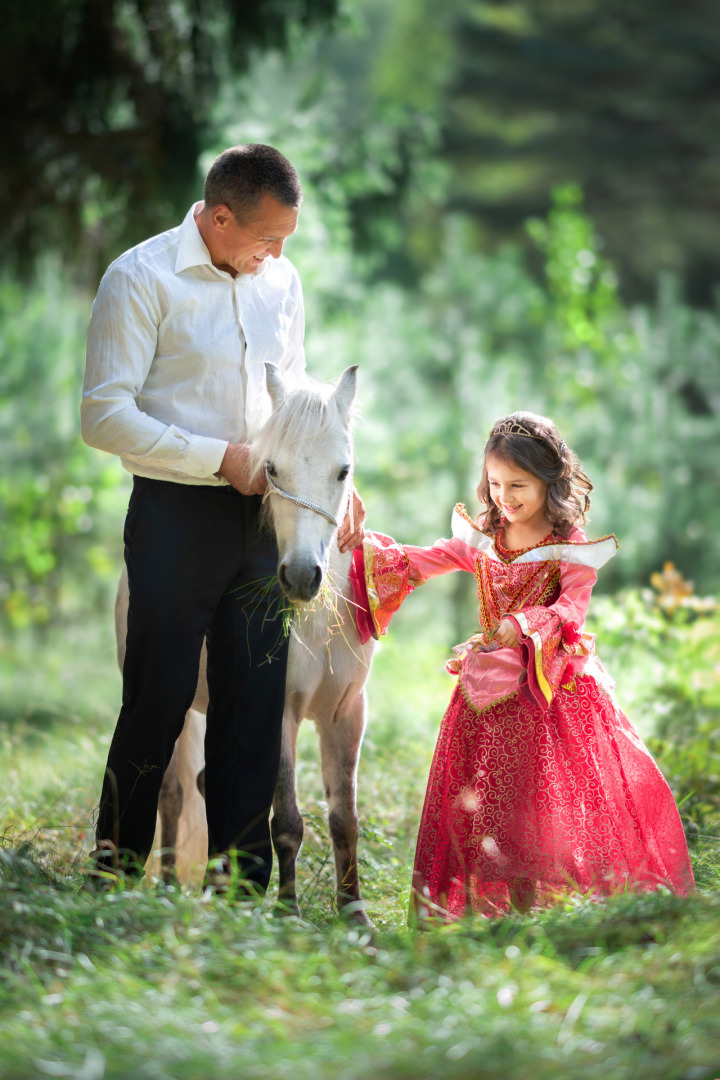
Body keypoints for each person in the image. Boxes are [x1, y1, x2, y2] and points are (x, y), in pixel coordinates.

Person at [81, 143, 363, 890]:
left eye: (287, 242)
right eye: (267, 239)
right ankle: (112, 873)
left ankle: (244, 890)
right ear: (220, 216)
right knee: (159, 700)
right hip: (175, 516)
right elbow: (104, 416)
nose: (277, 255)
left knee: (253, 705)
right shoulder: (139, 279)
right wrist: (218, 459)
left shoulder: (281, 281)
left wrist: (331, 474)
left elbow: (294, 389)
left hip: (269, 517)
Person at [351, 411, 694, 920]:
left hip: (544, 693)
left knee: (532, 801)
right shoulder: (487, 533)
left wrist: (526, 624)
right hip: (483, 692)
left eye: (518, 485)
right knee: (484, 796)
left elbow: (572, 610)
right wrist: (366, 551)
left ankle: (536, 909)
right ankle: (486, 906)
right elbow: (433, 558)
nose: (504, 498)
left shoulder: (571, 546)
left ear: (549, 482)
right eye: (494, 484)